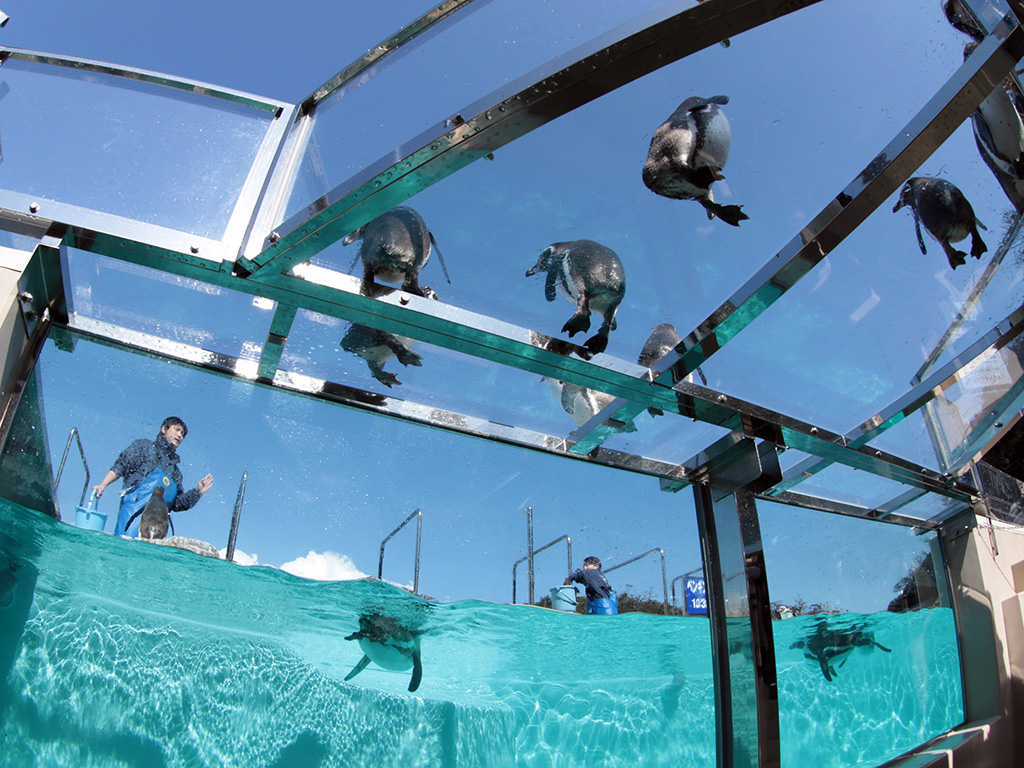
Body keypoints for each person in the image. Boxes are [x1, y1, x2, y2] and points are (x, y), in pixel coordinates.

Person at [93, 416, 213, 537]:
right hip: (129, 528)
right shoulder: (144, 447)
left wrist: (197, 492)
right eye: (177, 429)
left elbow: (177, 504)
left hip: (156, 535)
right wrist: (103, 485)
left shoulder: (175, 472)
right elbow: (121, 466)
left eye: (182, 434)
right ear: (164, 429)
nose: (180, 435)